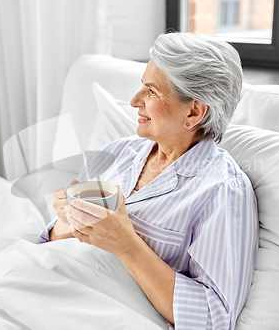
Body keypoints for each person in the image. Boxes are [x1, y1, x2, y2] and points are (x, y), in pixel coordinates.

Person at [38, 32, 258, 330]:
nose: (134, 101)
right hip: (45, 286)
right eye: (142, 86)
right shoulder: (118, 152)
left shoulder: (222, 190)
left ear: (194, 111)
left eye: (151, 91)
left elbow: (213, 319)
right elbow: (48, 241)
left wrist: (127, 245)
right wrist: (67, 218)